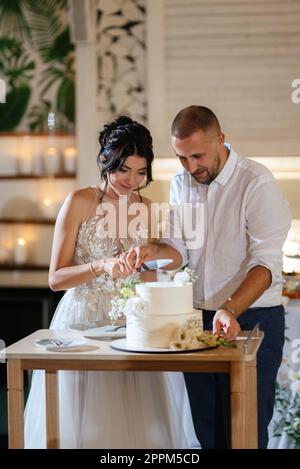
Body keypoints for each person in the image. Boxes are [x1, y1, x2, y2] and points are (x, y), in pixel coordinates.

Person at [24, 116, 200, 449]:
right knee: (83, 424)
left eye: (140, 172)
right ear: (105, 160)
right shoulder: (79, 201)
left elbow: (160, 267)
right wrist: (101, 265)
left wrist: (150, 259)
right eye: (123, 170)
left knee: (140, 426)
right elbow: (55, 278)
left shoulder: (147, 209)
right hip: (81, 322)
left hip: (130, 324)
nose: (131, 180)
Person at [121, 106, 291, 448]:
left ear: (221, 139)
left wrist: (230, 308)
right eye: (182, 158)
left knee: (244, 430)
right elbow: (180, 250)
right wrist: (153, 253)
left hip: (253, 318)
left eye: (197, 155)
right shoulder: (182, 184)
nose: (190, 167)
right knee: (207, 430)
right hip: (197, 321)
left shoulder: (256, 182)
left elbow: (266, 264)